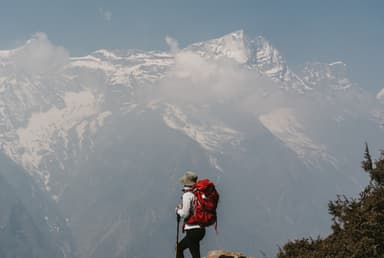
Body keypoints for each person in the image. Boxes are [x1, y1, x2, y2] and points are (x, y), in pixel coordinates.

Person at [176, 171, 206, 258]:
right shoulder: (199, 193)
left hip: (192, 230)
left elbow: (185, 214)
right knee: (182, 248)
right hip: (201, 230)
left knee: (184, 251)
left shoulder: (187, 195)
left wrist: (178, 211)